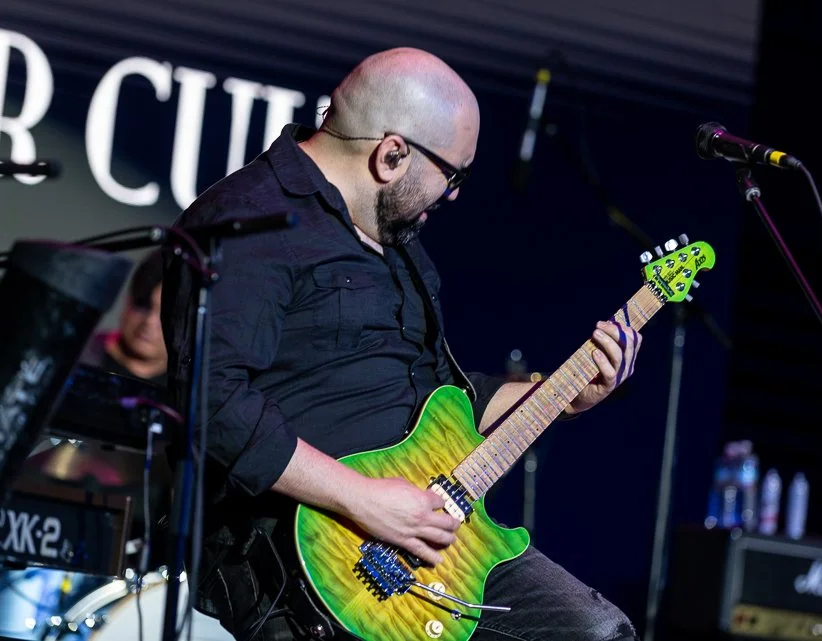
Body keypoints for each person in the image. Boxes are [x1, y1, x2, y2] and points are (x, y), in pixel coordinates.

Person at [161, 48, 641, 641]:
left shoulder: (398, 241)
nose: (454, 195)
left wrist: (563, 393)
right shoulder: (248, 220)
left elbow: (448, 401)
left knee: (598, 632)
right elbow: (211, 400)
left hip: (423, 535)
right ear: (392, 155)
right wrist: (363, 500)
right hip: (307, 553)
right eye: (454, 175)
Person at [80, 248, 168, 384]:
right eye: (143, 304)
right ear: (128, 299)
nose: (149, 321)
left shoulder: (190, 390)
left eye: (166, 315)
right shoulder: (78, 356)